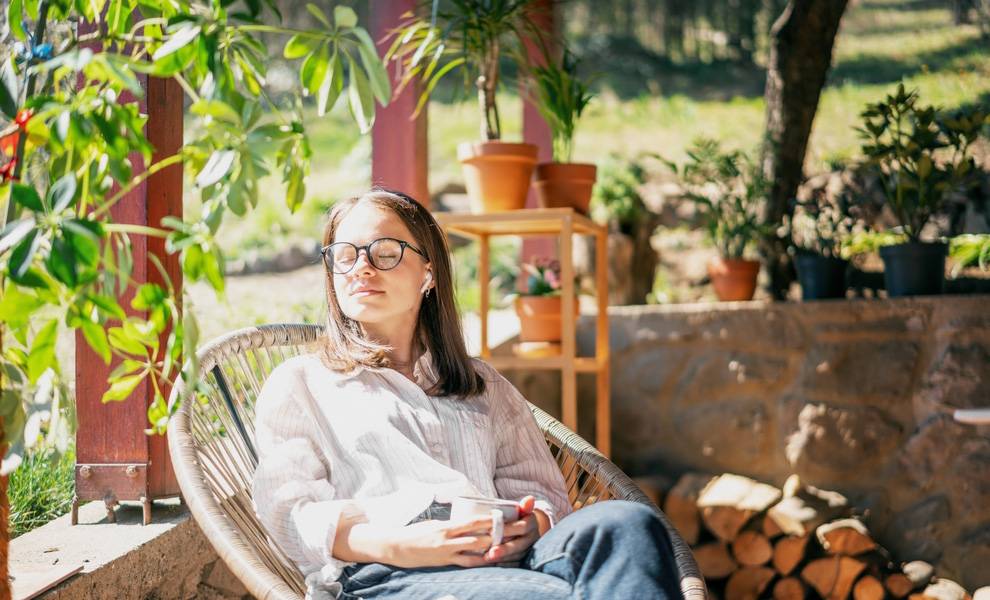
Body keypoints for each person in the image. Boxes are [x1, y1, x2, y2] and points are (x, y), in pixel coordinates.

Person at [252, 189, 683, 600]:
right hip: (387, 577)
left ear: (429, 274)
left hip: (504, 561)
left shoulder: (483, 385)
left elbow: (543, 494)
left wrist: (531, 525)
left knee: (629, 524)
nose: (361, 268)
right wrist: (400, 545)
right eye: (344, 256)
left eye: (385, 253)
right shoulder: (303, 384)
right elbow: (290, 513)